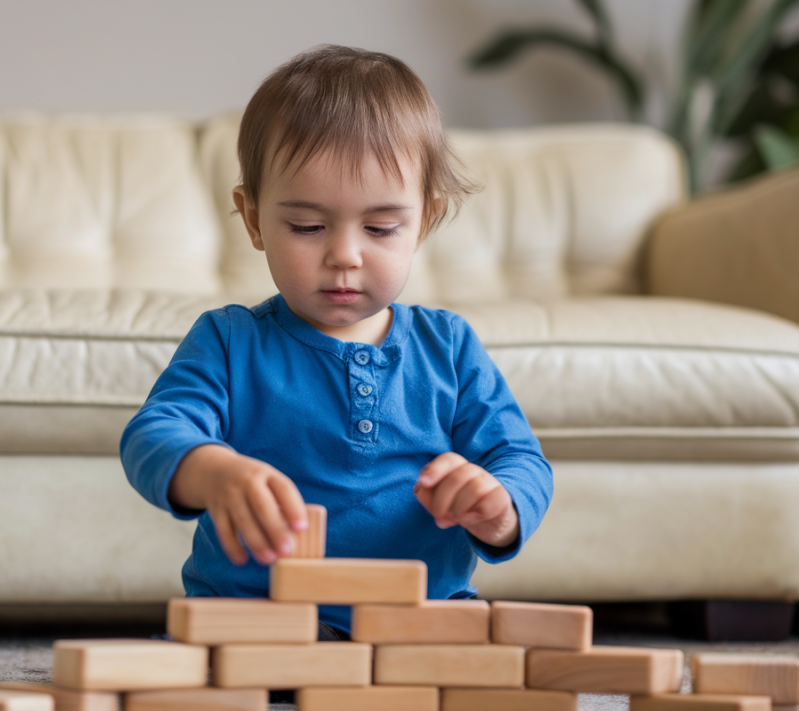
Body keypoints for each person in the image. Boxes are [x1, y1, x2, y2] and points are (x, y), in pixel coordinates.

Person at [120, 44, 552, 639]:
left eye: (380, 227)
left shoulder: (449, 347)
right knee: (200, 668)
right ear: (254, 219)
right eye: (307, 226)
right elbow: (152, 435)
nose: (344, 255)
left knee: (495, 662)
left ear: (422, 223)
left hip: (419, 618)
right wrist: (214, 472)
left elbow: (521, 459)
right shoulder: (228, 340)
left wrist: (500, 505)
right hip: (260, 617)